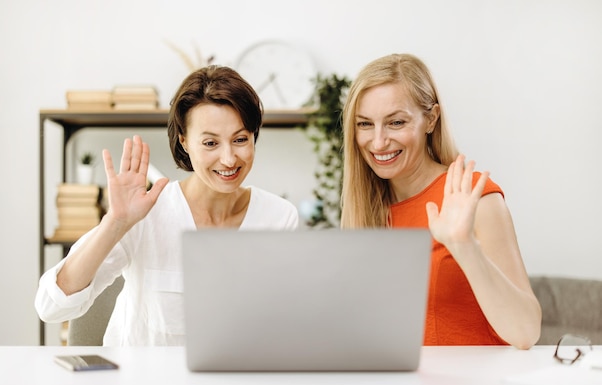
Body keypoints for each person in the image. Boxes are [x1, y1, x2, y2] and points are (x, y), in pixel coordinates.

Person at [35, 65, 299, 345]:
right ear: (184, 141)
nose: (229, 159)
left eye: (240, 139)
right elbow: (51, 307)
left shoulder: (279, 217)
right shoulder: (147, 213)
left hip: (238, 384)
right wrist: (116, 223)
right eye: (210, 143)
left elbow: (286, 323)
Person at [340, 53, 541, 349]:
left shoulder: (473, 197)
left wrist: (464, 247)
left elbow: (526, 332)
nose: (379, 141)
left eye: (396, 122)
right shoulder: (366, 209)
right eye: (365, 124)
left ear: (431, 119)